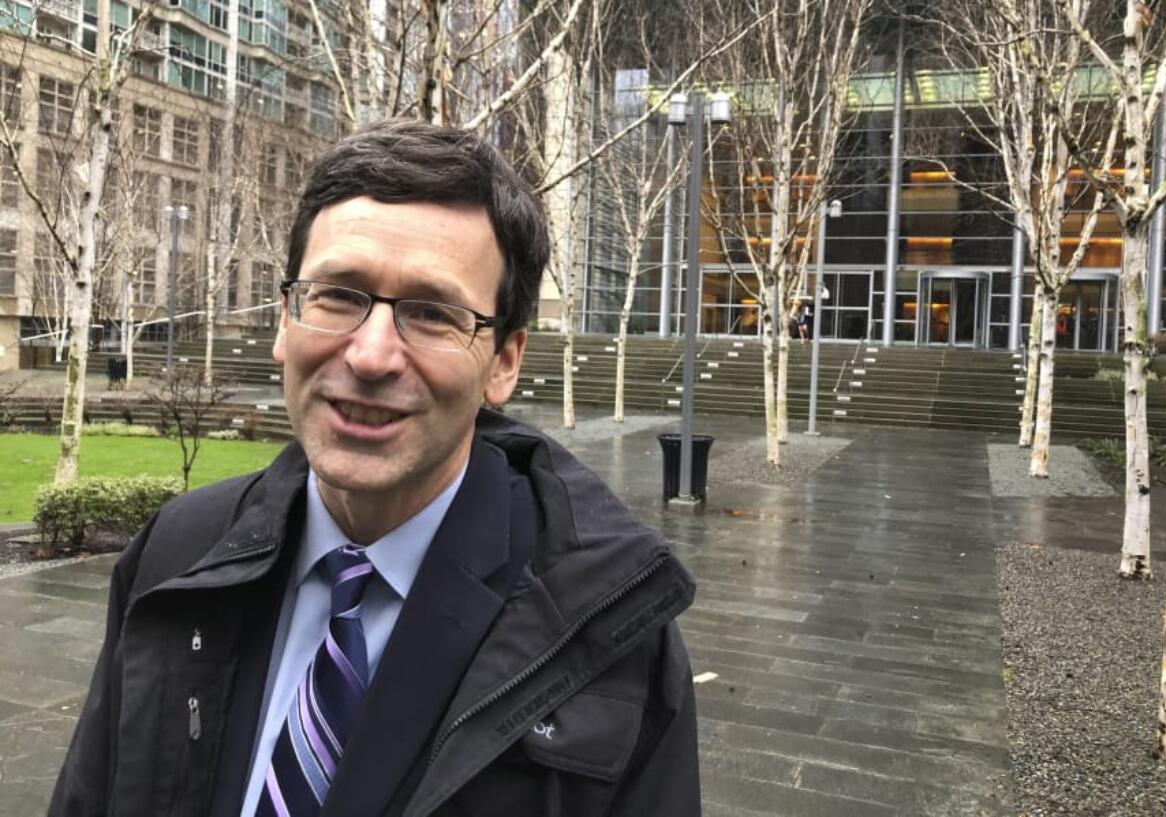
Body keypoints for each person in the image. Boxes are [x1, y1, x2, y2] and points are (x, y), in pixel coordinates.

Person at [49, 121, 700, 817]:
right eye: (337, 294)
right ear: (283, 318)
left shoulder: (614, 638)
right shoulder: (177, 553)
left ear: (505, 360)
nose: (370, 354)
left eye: (431, 312)